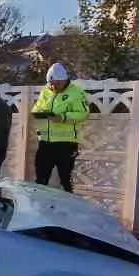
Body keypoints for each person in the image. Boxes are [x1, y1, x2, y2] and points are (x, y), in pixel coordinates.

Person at [30, 62, 89, 192]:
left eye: (57, 84)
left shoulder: (76, 92)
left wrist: (63, 117)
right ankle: (40, 207)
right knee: (41, 179)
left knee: (65, 180)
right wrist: (40, 113)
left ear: (64, 81)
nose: (53, 87)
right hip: (45, 142)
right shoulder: (45, 91)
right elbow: (36, 108)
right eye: (51, 84)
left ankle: (68, 208)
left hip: (66, 144)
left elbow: (83, 114)